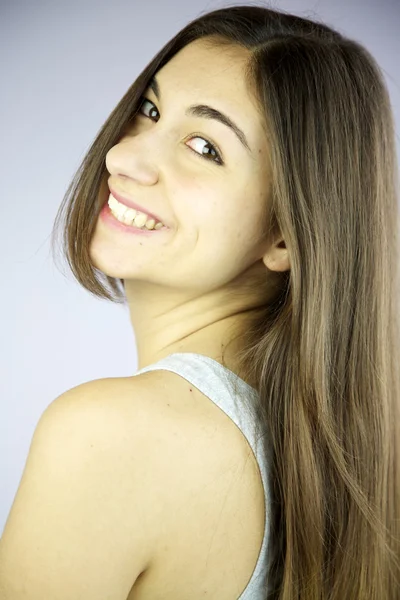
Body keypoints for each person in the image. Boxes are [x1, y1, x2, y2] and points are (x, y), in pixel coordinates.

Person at [1, 4, 399, 599]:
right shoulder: (326, 464)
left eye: (205, 147)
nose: (123, 157)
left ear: (286, 233)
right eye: (150, 110)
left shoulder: (105, 436)